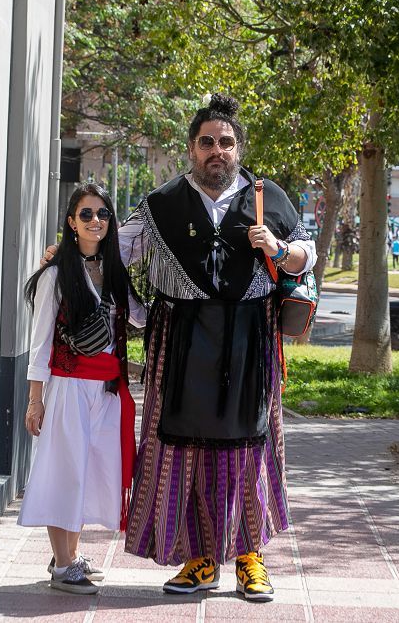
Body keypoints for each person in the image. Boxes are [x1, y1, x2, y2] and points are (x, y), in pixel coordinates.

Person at [41, 94, 316, 602]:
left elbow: (306, 254)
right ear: (191, 148)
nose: (218, 150)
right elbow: (115, 245)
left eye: (226, 142)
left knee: (250, 449)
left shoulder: (267, 196)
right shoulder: (162, 204)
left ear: (238, 148)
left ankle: (251, 559)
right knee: (185, 452)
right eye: (208, 141)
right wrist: (67, 252)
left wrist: (278, 248)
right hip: (182, 340)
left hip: (249, 342)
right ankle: (200, 559)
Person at [20, 182, 145, 595]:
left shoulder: (113, 272)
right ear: (71, 222)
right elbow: (39, 344)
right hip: (68, 388)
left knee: (89, 474)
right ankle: (64, 566)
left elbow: (141, 318)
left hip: (106, 390)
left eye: (103, 214)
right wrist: (35, 401)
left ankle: (67, 556)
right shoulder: (55, 275)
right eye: (86, 214)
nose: (96, 221)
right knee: (64, 473)